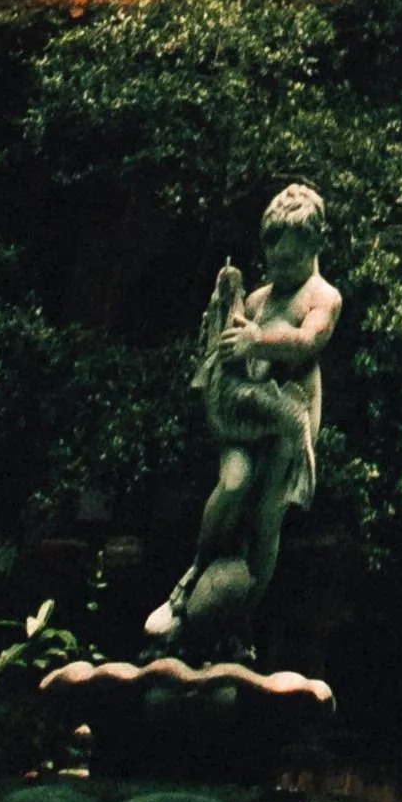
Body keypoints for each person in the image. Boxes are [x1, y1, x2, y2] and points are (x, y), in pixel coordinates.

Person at [145, 180, 342, 647]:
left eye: (290, 261)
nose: (280, 268)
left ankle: (240, 617)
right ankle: (193, 576)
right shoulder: (257, 299)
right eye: (273, 260)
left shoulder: (323, 296)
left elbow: (307, 341)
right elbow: (230, 355)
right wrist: (220, 325)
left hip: (291, 417)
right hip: (246, 412)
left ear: (315, 245)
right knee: (233, 483)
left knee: (266, 518)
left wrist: (258, 340)